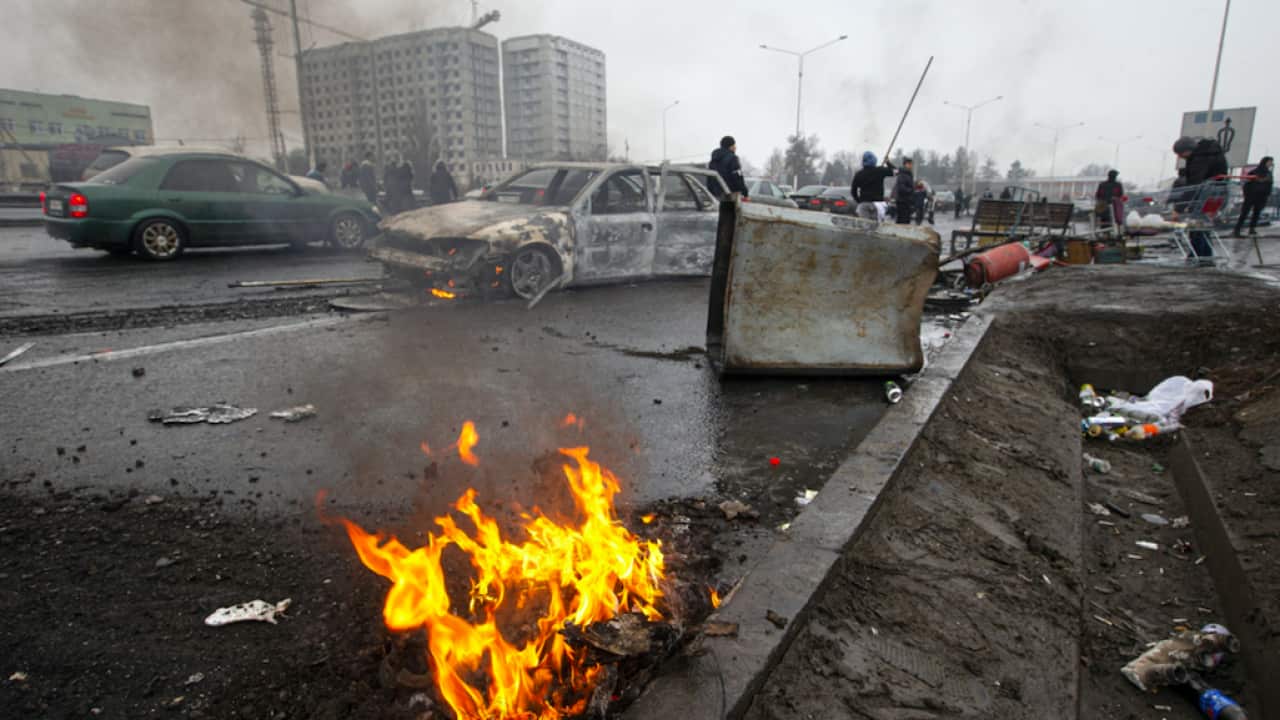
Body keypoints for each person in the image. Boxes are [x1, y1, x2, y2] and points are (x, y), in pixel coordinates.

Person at [1234, 156, 1274, 238]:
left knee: (1256, 213)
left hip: (1261, 196)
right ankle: (1237, 229)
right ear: (1265, 162)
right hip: (1251, 196)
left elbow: (1269, 185)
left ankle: (1252, 229)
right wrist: (1247, 194)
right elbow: (1246, 183)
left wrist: (1267, 195)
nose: (1270, 164)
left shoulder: (1268, 174)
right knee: (1245, 213)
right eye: (1269, 162)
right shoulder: (1254, 172)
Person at [851, 151, 894, 220]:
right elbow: (896, 171)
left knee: (865, 224)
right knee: (877, 225)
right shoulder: (880, 171)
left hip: (864, 204)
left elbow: (853, 191)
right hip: (878, 205)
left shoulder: (859, 174)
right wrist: (888, 162)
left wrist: (860, 201)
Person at [893, 157, 915, 224]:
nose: (911, 165)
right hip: (902, 201)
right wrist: (911, 190)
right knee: (902, 220)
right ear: (905, 164)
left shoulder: (909, 174)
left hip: (907, 201)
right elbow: (901, 188)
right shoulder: (902, 174)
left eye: (911, 164)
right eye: (909, 164)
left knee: (906, 219)